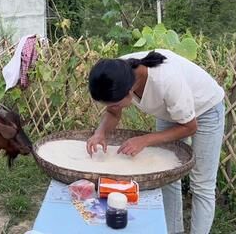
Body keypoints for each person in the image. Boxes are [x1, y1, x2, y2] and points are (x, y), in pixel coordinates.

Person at [85, 49, 225, 234]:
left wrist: (145, 140)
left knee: (202, 184)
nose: (113, 107)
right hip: (170, 108)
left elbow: (190, 127)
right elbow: (113, 112)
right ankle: (173, 230)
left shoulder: (166, 81)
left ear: (129, 91)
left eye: (116, 103)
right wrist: (100, 132)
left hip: (205, 108)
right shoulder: (115, 73)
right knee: (166, 174)